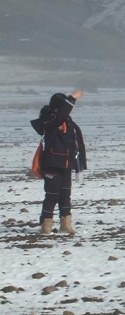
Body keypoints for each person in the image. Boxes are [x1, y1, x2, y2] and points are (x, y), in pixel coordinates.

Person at [30, 91, 87, 235]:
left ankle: (66, 224)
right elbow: (59, 117)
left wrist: (79, 165)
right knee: (51, 196)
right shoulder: (50, 119)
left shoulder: (67, 120)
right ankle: (46, 225)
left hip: (66, 164)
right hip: (52, 164)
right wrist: (72, 99)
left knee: (65, 196)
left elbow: (77, 141)